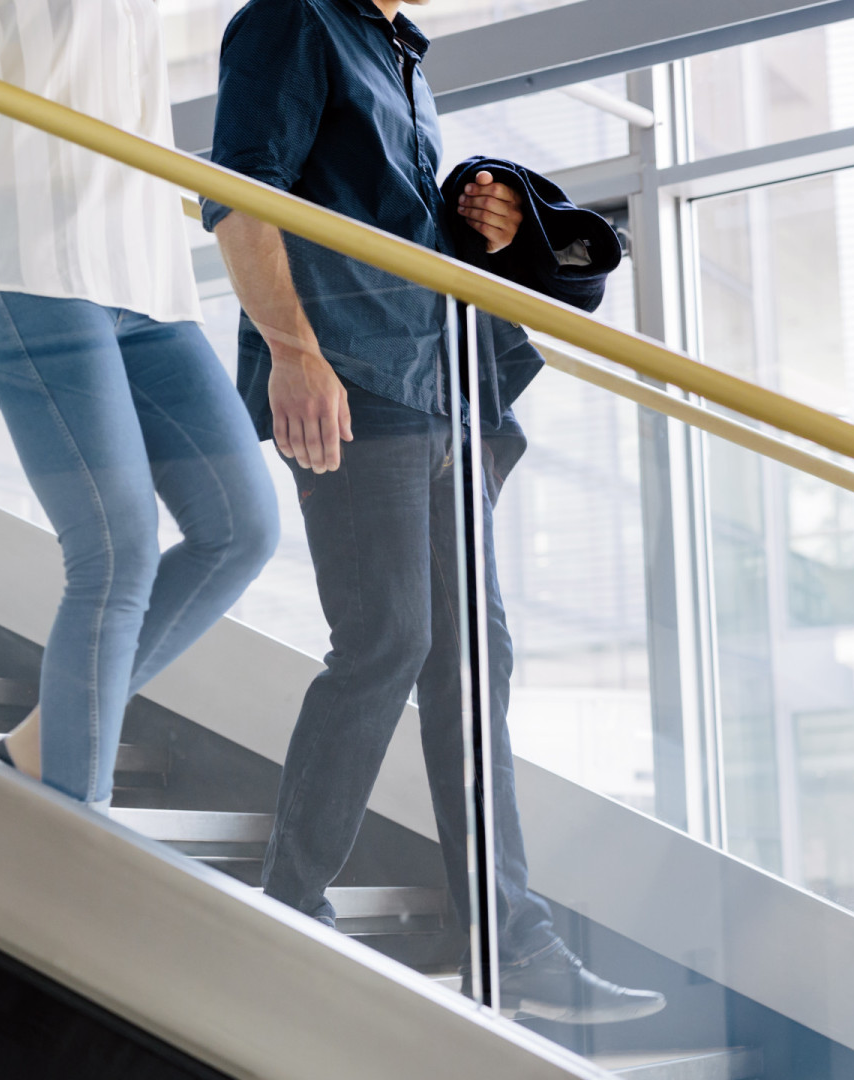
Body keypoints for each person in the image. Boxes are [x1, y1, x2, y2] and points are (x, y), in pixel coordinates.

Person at [203, 0, 663, 1023]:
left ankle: (512, 944)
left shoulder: (400, 53)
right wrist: (293, 353)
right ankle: (284, 907)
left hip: (437, 388)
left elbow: (387, 226)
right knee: (388, 639)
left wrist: (478, 226)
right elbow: (241, 195)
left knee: (471, 661)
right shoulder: (293, 21)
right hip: (349, 384)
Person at [0, 3, 279, 813]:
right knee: (116, 551)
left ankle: (36, 754)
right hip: (20, 258)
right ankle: (69, 839)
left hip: (143, 272)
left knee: (242, 527)